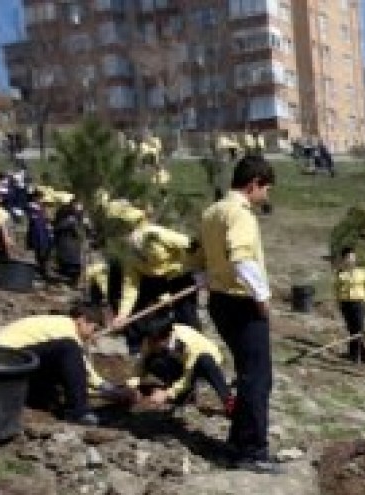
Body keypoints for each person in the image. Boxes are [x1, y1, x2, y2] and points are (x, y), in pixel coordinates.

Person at [192, 154, 279, 472]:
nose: (265, 197)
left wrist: (205, 280)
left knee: (247, 374)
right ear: (254, 184)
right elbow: (241, 258)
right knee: (258, 378)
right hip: (242, 303)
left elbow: (198, 256)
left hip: (219, 301)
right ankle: (252, 450)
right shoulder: (240, 214)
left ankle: (237, 443)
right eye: (265, 189)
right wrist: (262, 296)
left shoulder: (212, 211)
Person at [0, 304, 125, 426]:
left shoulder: (59, 325)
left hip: (13, 363)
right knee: (69, 348)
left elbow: (76, 374)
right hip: (6, 363)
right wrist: (106, 388)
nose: (94, 334)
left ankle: (39, 399)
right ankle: (78, 412)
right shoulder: (66, 328)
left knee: (64, 366)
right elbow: (82, 367)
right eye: (94, 328)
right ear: (81, 320)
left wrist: (101, 390)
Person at [114, 211, 202, 353]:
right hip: (155, 281)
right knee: (143, 313)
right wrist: (122, 315)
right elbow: (131, 287)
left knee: (186, 316)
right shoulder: (130, 256)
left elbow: (192, 246)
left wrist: (202, 271)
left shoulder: (157, 234)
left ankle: (194, 348)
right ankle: (139, 349)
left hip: (180, 275)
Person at [128, 314, 234, 415]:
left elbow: (187, 376)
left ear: (166, 338)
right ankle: (182, 394)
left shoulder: (187, 344)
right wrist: (133, 383)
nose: (150, 344)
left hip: (201, 363)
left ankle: (229, 401)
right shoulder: (154, 338)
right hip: (181, 361)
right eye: (150, 341)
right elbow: (142, 360)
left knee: (205, 360)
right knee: (153, 361)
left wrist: (168, 393)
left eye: (154, 342)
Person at [332, 246, 365, 362]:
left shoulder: (362, 271)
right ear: (343, 259)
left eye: (353, 257)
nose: (351, 259)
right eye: (348, 257)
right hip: (346, 304)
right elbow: (336, 290)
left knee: (358, 329)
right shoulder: (340, 273)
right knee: (352, 329)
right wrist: (338, 303)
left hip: (359, 302)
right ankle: (358, 353)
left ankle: (357, 356)